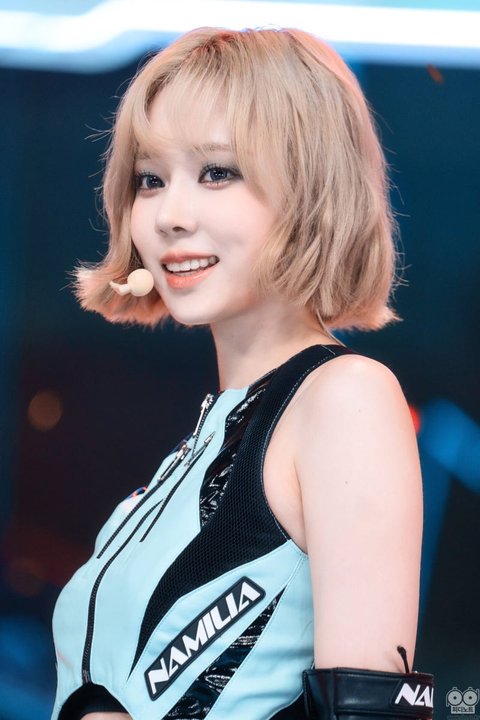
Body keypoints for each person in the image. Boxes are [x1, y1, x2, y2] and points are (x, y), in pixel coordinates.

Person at [51, 26, 434, 720]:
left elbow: (374, 712)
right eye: (150, 179)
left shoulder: (344, 400)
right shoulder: (212, 437)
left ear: (310, 189)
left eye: (217, 172)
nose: (169, 216)